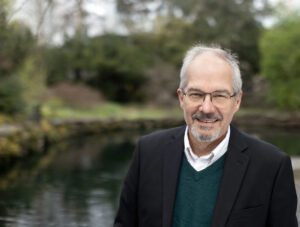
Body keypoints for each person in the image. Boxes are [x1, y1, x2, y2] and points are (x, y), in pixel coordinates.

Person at [114, 44, 298, 227]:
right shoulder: (148, 152)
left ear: (237, 101)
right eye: (196, 94)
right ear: (181, 98)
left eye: (219, 96)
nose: (207, 108)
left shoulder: (271, 166)